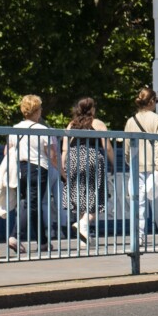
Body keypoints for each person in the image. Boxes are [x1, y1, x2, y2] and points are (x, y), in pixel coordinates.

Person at [4, 94, 57, 253]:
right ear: (36, 111)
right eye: (40, 108)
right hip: (38, 168)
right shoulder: (43, 130)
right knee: (31, 204)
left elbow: (8, 150)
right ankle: (15, 236)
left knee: (31, 204)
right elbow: (52, 155)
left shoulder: (15, 128)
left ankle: (42, 242)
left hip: (21, 168)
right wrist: (62, 172)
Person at [125, 87, 158, 245]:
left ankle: (138, 237)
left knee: (137, 203)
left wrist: (129, 162)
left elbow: (127, 147)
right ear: (152, 101)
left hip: (136, 165)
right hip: (154, 167)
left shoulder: (130, 121)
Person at [61, 97, 114, 246]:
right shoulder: (97, 123)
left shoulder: (71, 125)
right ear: (92, 109)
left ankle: (83, 237)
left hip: (73, 159)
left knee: (80, 198)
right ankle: (84, 222)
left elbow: (64, 149)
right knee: (97, 196)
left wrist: (62, 167)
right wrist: (114, 163)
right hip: (92, 158)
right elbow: (107, 147)